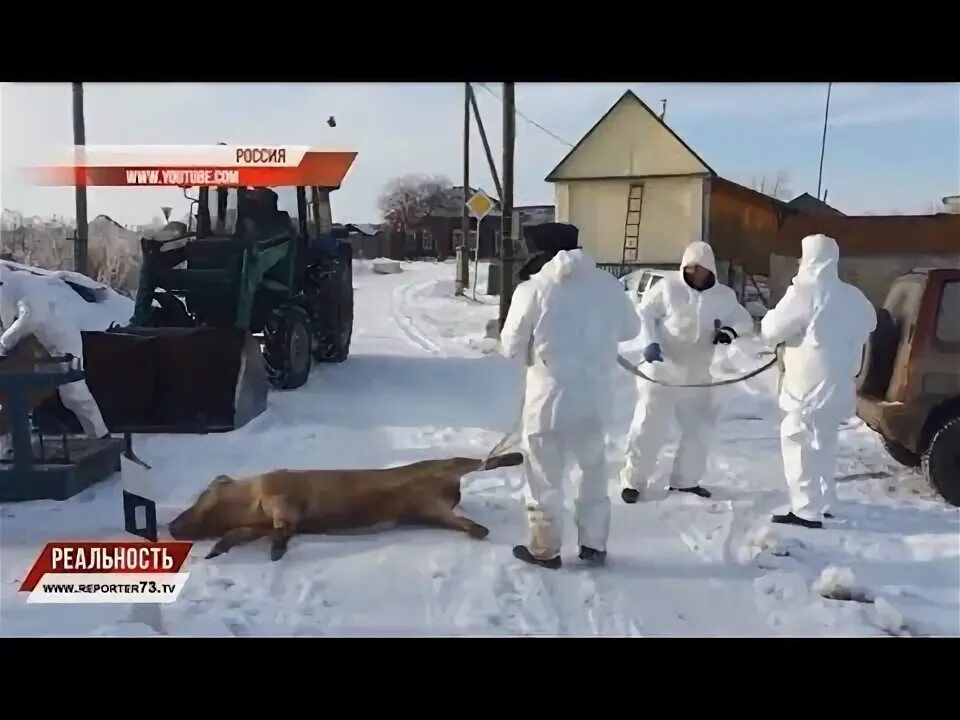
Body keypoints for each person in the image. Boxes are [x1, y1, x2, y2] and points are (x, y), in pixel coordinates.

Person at [500, 231, 642, 569]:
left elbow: (510, 346)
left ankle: (544, 549)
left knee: (544, 477)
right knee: (592, 472)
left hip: (549, 399)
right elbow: (631, 329)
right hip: (595, 398)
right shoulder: (608, 284)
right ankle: (594, 544)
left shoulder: (533, 288)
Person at [620, 241, 755, 502]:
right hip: (662, 370)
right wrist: (651, 342)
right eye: (690, 268)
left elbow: (743, 319)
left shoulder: (724, 296)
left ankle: (686, 480)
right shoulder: (669, 288)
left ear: (710, 269)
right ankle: (633, 481)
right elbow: (645, 313)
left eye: (700, 268)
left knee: (699, 428)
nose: (695, 273)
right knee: (649, 426)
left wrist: (729, 331)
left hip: (698, 374)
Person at [760, 234, 876, 528]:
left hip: (806, 391)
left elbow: (771, 329)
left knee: (799, 446)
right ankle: (825, 501)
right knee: (824, 446)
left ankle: (806, 510)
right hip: (837, 388)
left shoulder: (804, 293)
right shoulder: (852, 296)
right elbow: (871, 321)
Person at [0, 265, 110, 447]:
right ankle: (11, 446)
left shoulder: (26, 285)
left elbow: (33, 316)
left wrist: (4, 343)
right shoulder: (8, 288)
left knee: (73, 389)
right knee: (15, 391)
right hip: (31, 342)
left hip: (60, 338)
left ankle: (100, 436)